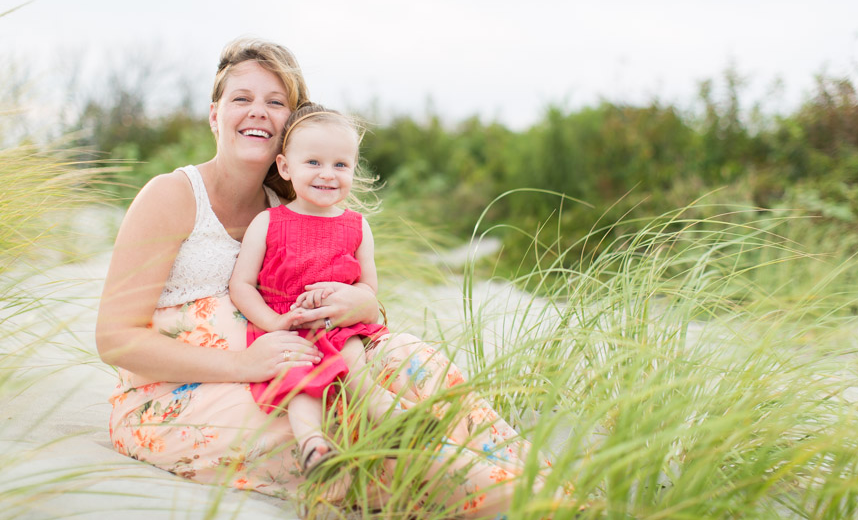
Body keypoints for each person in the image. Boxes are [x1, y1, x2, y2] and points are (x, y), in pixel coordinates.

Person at [96, 37, 554, 517]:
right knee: (345, 428)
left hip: (307, 359)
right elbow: (114, 339)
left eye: (275, 103)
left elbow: (357, 291)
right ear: (215, 115)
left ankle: (541, 484)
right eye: (241, 99)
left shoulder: (295, 206)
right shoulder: (171, 196)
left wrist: (362, 304)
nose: (257, 112)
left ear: (290, 131)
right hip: (183, 391)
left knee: (413, 362)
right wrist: (244, 365)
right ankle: (504, 501)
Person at [229, 103, 432, 490]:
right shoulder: (269, 222)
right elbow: (241, 284)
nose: (327, 174)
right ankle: (314, 448)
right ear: (286, 168)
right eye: (314, 162)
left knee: (355, 362)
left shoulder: (356, 225)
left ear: (354, 170)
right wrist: (273, 323)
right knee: (299, 379)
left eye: (341, 165)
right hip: (286, 325)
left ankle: (392, 419)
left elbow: (369, 287)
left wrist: (349, 297)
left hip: (339, 325)